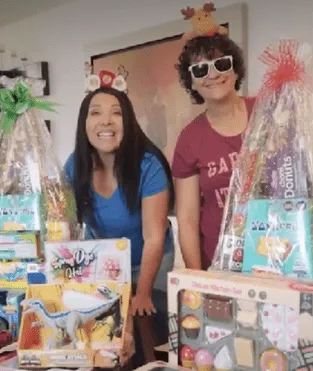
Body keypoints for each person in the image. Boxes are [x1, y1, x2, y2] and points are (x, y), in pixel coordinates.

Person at [65, 78, 175, 366]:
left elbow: (154, 236)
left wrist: (143, 292)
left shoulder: (148, 165)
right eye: (95, 112)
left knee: (145, 329)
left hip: (148, 259)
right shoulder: (74, 165)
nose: (106, 121)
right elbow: (65, 226)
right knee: (103, 336)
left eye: (116, 112)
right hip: (103, 262)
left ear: (128, 121)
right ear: (84, 123)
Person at [172, 32, 256, 270]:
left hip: (276, 253)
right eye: (200, 70)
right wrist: (197, 277)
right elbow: (187, 218)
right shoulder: (190, 139)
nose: (212, 74)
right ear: (192, 82)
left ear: (236, 70)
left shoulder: (266, 112)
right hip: (220, 263)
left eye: (221, 64)